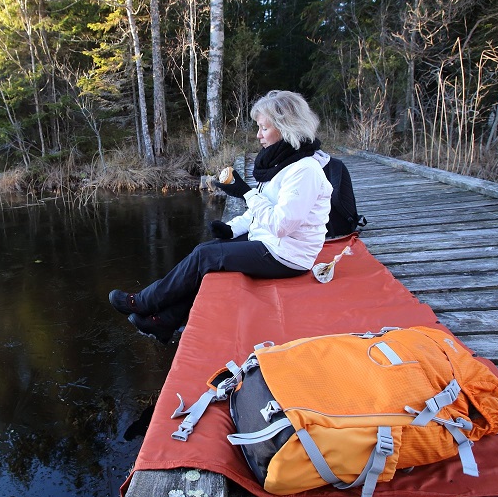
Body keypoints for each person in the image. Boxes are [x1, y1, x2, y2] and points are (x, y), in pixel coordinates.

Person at [108, 90, 334, 343]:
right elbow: (264, 210)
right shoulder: (285, 163)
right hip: (271, 242)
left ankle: (142, 303)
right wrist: (232, 229)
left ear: (285, 127)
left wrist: (245, 193)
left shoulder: (305, 171)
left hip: (288, 255)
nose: (258, 135)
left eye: (263, 128)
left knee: (206, 256)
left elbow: (282, 225)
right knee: (207, 250)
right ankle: (163, 321)